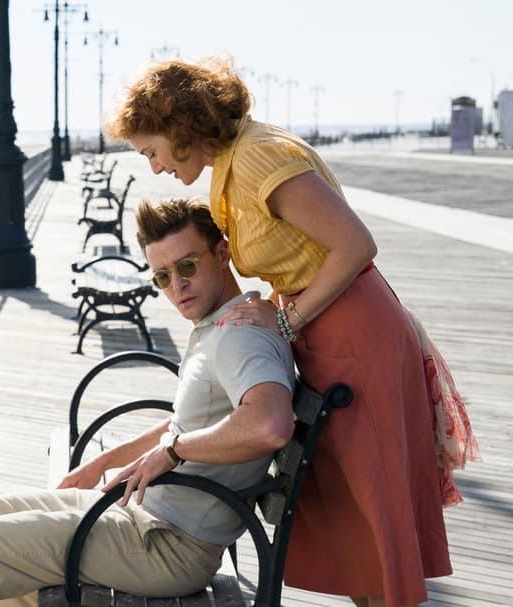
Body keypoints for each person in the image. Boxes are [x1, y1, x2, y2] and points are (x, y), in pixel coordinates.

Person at [106, 57, 473, 607]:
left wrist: (286, 321)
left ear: (178, 128)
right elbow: (299, 255)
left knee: (375, 512)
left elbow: (355, 245)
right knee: (356, 521)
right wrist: (280, 311)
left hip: (353, 334)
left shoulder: (257, 158)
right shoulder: (234, 164)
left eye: (151, 151)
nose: (155, 167)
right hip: (328, 332)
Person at [0, 197, 297, 607]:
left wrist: (172, 451)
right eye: (162, 277)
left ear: (221, 255)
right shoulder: (220, 323)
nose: (177, 286)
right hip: (143, 514)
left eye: (187, 266)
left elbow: (269, 424)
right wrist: (103, 462)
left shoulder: (240, 335)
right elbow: (189, 423)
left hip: (168, 545)